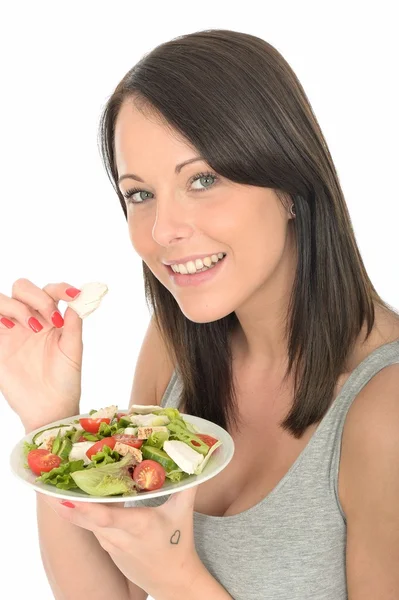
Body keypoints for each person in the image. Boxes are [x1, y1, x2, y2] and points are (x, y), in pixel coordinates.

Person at [1, 28, 399, 600]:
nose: (163, 231)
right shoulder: (175, 344)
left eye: (203, 180)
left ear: (289, 184)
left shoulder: (382, 408)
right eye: (140, 194)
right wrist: (48, 423)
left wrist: (182, 582)